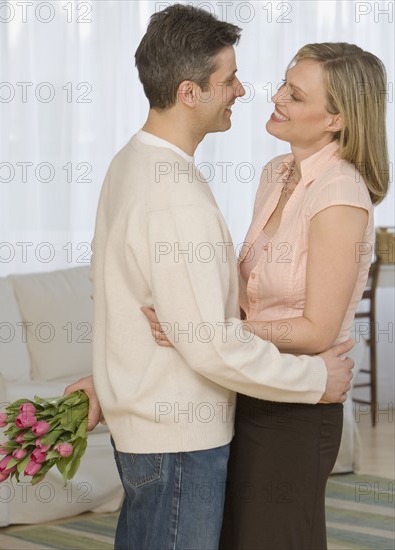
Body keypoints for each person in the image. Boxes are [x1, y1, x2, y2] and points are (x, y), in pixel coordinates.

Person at [65, 7, 355, 550]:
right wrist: (315, 380)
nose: (243, 91)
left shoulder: (130, 163)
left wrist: (110, 381)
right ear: (189, 92)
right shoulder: (175, 193)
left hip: (153, 428)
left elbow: (119, 297)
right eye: (228, 80)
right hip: (180, 437)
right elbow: (210, 344)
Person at [145, 42, 389, 549]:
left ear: (336, 120)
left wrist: (209, 332)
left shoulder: (339, 194)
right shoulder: (276, 173)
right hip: (250, 385)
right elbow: (246, 293)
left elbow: (317, 331)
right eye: (283, 83)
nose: (275, 96)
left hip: (297, 407)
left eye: (295, 95)